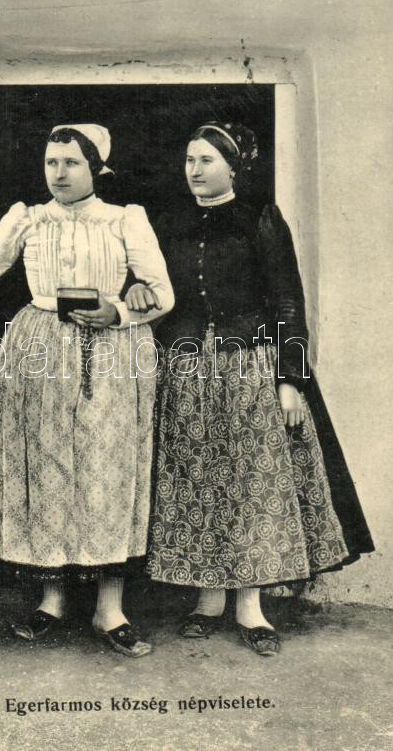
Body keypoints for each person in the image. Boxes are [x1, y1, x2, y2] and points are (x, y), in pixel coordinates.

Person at [0, 123, 174, 658]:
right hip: (39, 347)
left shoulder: (124, 219)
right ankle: (52, 601)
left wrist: (116, 310)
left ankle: (110, 609)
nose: (59, 173)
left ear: (96, 168)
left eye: (71, 163)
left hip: (112, 355)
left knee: (108, 470)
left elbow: (163, 294)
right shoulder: (28, 218)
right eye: (51, 162)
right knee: (48, 469)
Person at [127, 120, 374, 656]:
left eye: (207, 160)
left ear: (233, 167)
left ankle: (250, 606)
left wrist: (290, 381)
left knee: (251, 484)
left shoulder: (259, 218)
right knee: (195, 481)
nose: (195, 170)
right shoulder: (167, 222)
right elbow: (147, 282)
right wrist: (139, 289)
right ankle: (207, 600)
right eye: (189, 159)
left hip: (250, 370)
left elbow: (287, 300)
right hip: (186, 371)